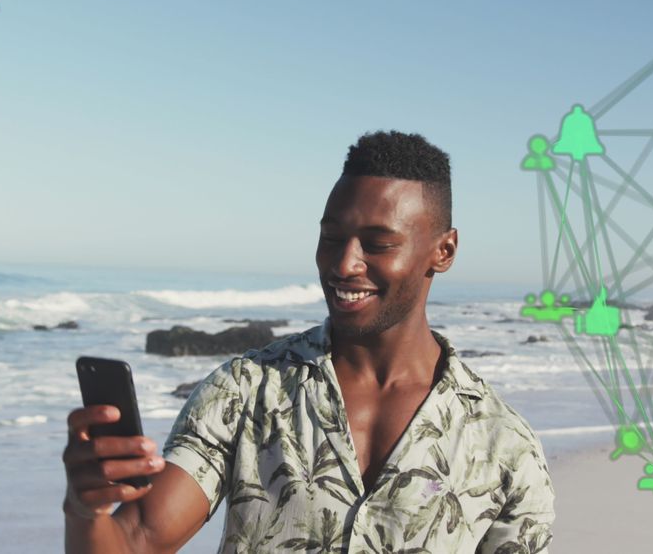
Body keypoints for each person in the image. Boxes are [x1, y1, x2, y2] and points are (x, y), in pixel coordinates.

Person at [62, 131, 556, 553]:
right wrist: (86, 508)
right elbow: (139, 539)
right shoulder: (245, 392)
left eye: (378, 244)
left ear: (443, 251)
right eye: (331, 237)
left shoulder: (505, 448)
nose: (344, 264)